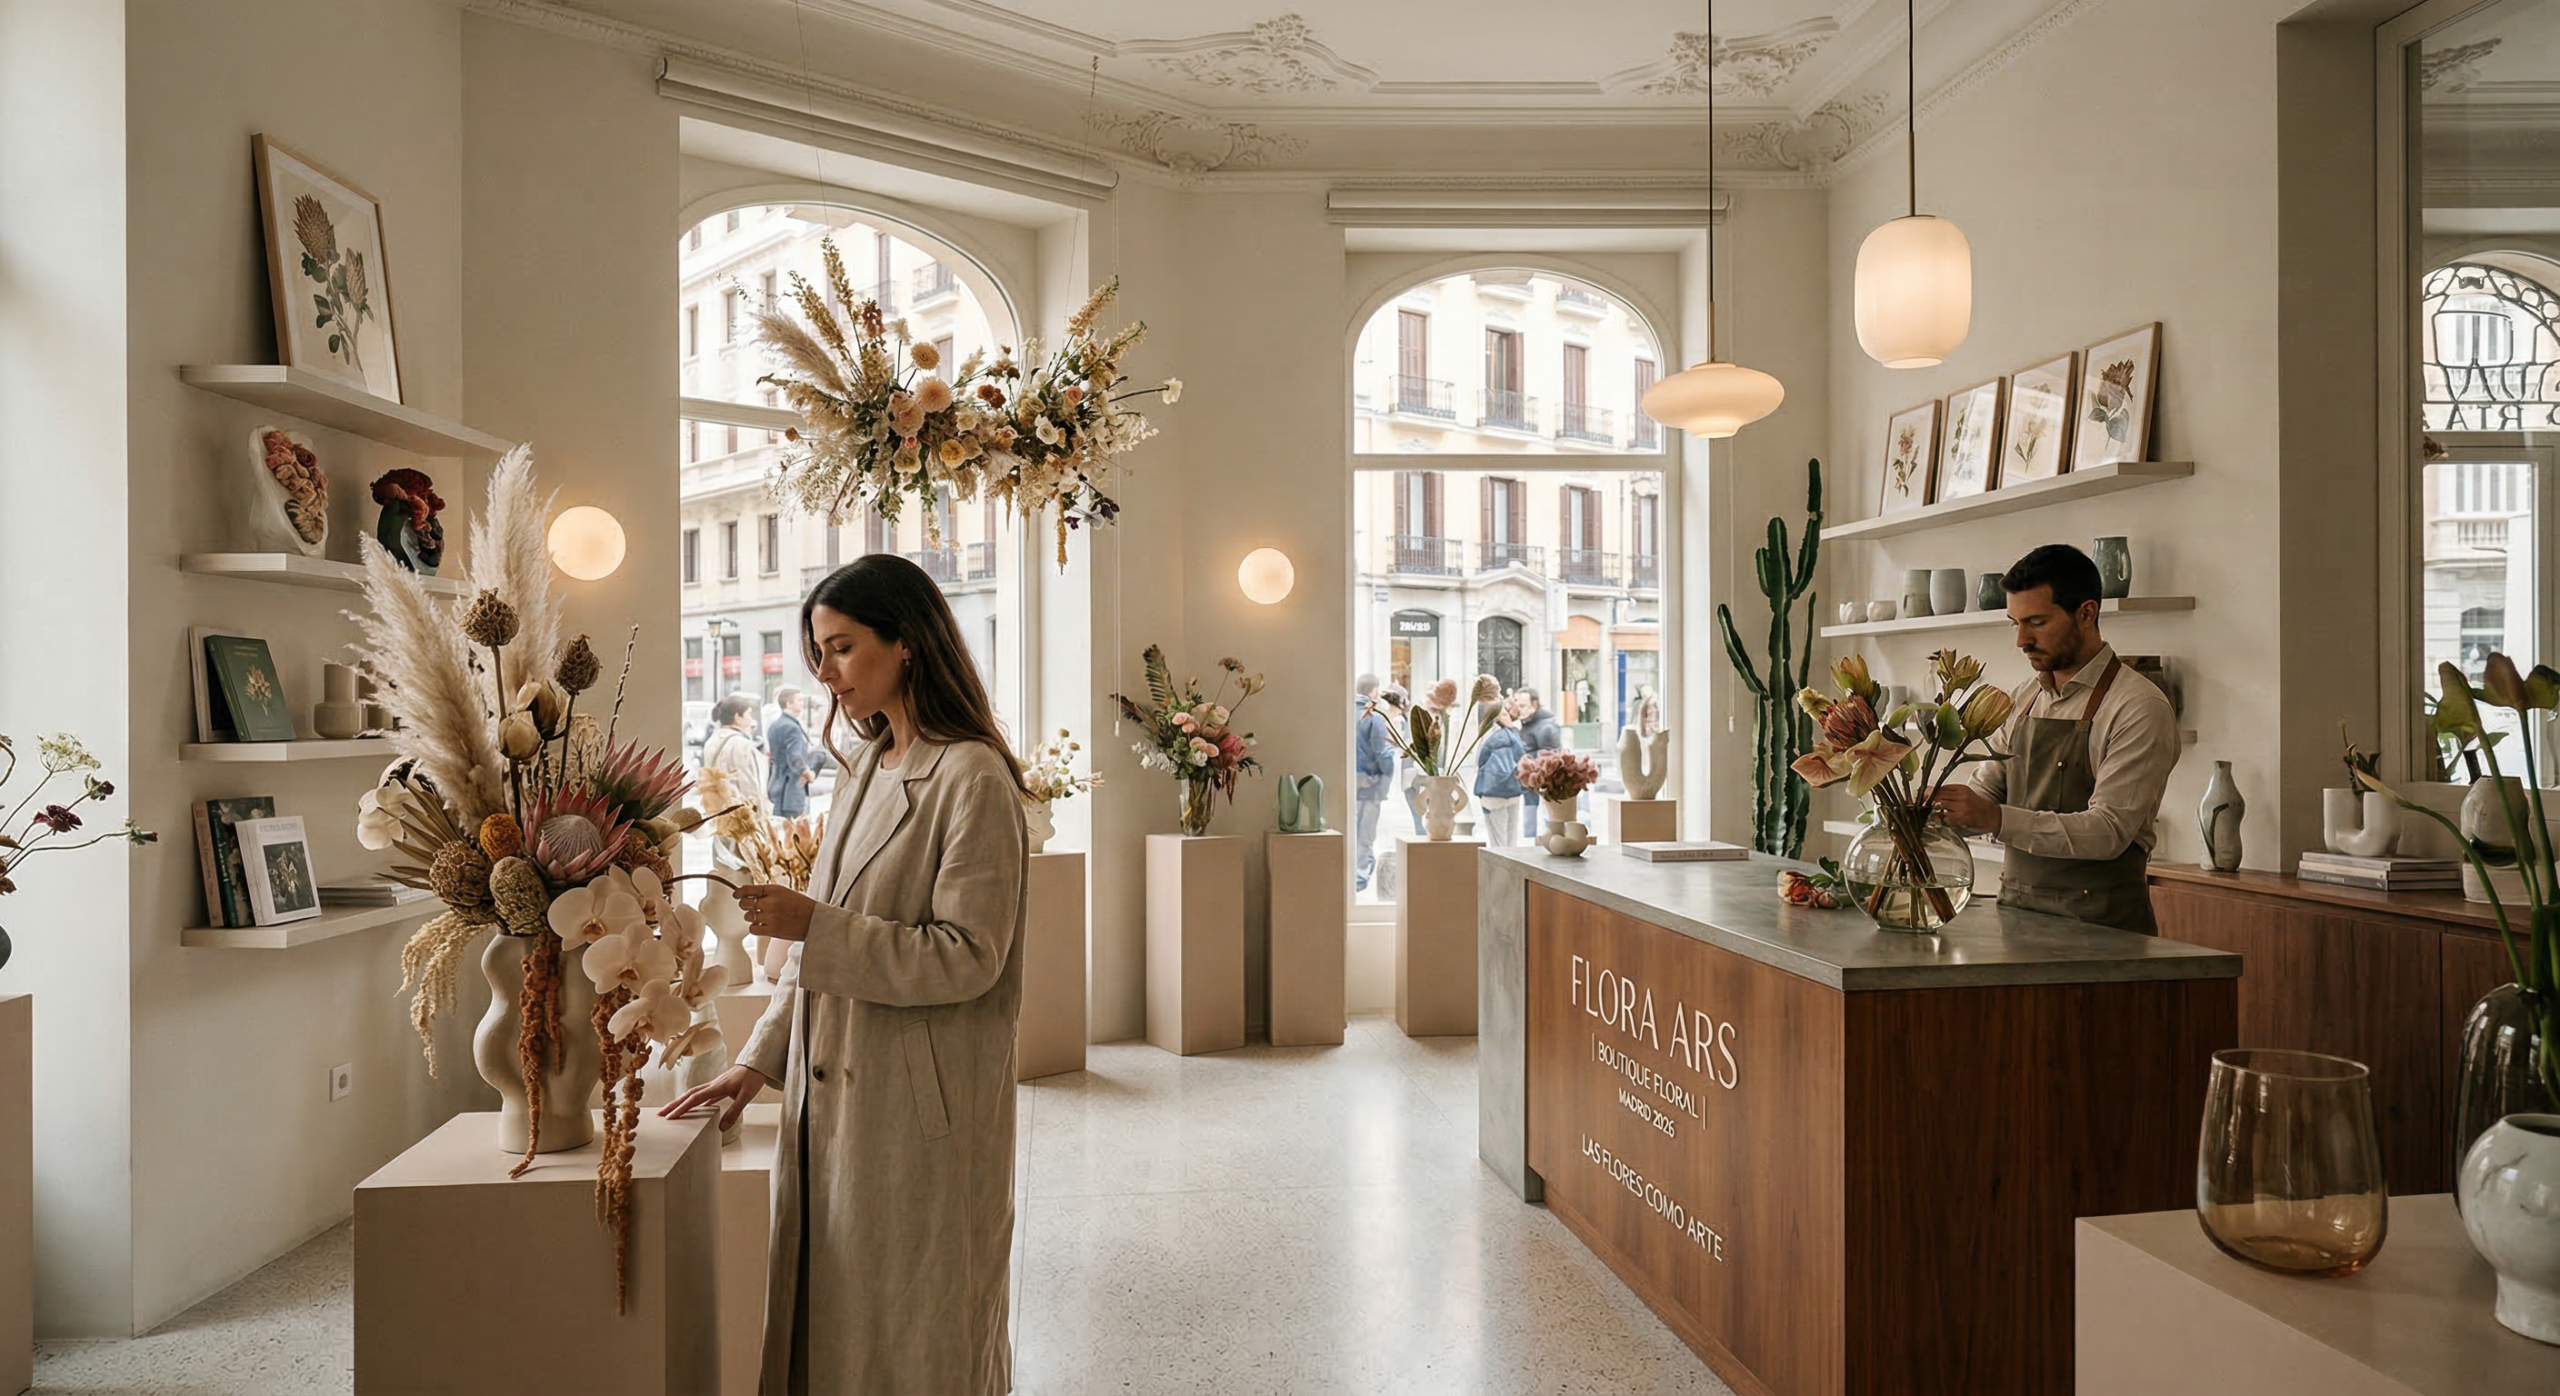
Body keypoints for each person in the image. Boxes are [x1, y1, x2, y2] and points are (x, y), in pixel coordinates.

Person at [661, 554, 1031, 1395]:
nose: (823, 674)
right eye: (817, 653)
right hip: (833, 1098)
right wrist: (756, 1063)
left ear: (907, 644)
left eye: (841, 648)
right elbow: (821, 943)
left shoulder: (972, 778)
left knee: (918, 1331)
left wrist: (814, 927)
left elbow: (971, 956)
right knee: (838, 1326)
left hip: (918, 1109)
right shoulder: (866, 763)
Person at [1932, 543, 2179, 934]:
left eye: (2037, 622)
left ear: (2086, 613)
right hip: (2017, 923)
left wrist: (1995, 819)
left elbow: (2108, 831)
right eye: (2015, 623)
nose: (2021, 641)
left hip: (2105, 937)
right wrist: (1931, 812)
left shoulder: (2138, 706)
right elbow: (1986, 797)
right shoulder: (2023, 699)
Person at [1353, 675, 1395, 893]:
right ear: (1373, 690)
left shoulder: (1344, 711)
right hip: (1369, 784)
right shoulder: (1373, 716)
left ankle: (1357, 873)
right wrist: (1386, 780)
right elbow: (1383, 753)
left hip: (1350, 784)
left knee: (1353, 831)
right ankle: (1359, 880)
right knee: (1365, 834)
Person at [702, 693, 770, 822]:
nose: (751, 718)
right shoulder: (742, 744)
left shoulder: (711, 741)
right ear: (737, 717)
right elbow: (750, 784)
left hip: (718, 812)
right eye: (749, 714)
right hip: (740, 816)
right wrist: (758, 816)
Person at [1473, 703, 1527, 847]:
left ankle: (1500, 867)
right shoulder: (1514, 736)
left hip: (1493, 794)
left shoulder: (1486, 737)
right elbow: (1522, 759)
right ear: (1494, 718)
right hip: (1514, 791)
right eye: (1504, 714)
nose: (1508, 716)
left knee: (1498, 839)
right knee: (1511, 836)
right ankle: (1511, 867)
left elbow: (1479, 762)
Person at [766, 686, 820, 819]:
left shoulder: (775, 725)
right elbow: (795, 757)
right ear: (788, 704)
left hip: (776, 782)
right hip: (792, 786)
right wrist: (807, 772)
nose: (802, 703)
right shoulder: (792, 728)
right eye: (799, 700)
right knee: (796, 831)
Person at [1516, 687, 1563, 837]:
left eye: (1522, 706)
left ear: (1534, 705)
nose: (1518, 710)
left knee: (1538, 821)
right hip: (1530, 784)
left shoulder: (1546, 727)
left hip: (1541, 786)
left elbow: (1549, 758)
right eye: (1517, 705)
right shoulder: (1527, 724)